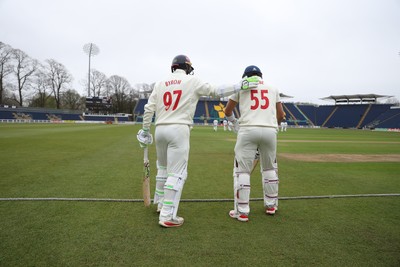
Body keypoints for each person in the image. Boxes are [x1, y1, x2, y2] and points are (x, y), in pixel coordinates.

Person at [136, 55, 259, 227]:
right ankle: (166, 216)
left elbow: (149, 109)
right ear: (186, 67)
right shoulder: (191, 81)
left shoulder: (160, 83)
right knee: (177, 173)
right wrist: (240, 85)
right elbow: (216, 91)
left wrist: (145, 130)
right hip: (178, 129)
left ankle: (162, 203)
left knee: (162, 168)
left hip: (160, 129)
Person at [224, 65, 285, 222]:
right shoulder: (273, 88)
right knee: (270, 168)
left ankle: (242, 211)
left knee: (242, 171)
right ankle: (271, 205)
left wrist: (234, 122)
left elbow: (227, 110)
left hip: (248, 129)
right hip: (270, 131)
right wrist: (274, 126)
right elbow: (281, 114)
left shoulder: (241, 86)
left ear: (246, 76)